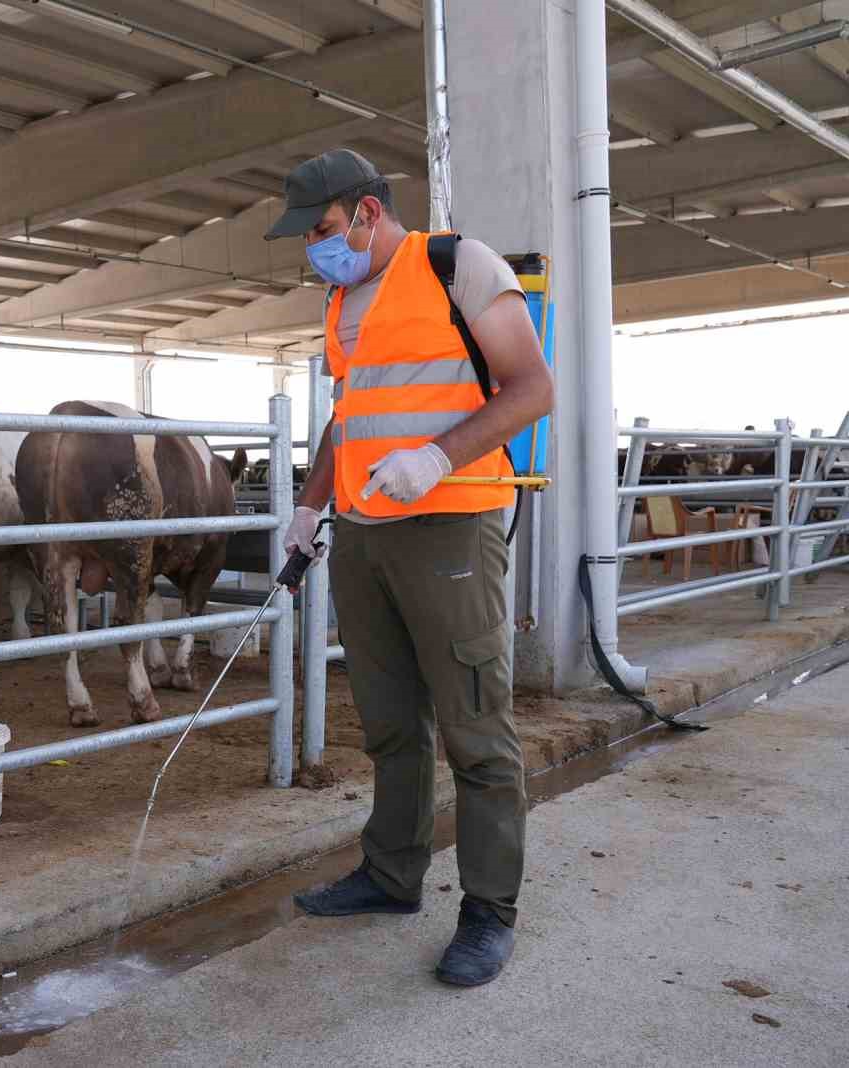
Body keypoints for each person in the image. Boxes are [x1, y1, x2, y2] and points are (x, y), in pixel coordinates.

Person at [266, 149, 555, 986]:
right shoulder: (342, 298)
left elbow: (533, 388)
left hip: (451, 525)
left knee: (475, 729)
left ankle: (489, 911)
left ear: (365, 211)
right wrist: (312, 505)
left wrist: (436, 457)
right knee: (390, 724)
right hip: (363, 533)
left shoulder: (458, 265)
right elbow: (349, 417)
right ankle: (391, 876)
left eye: (322, 230)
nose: (315, 249)